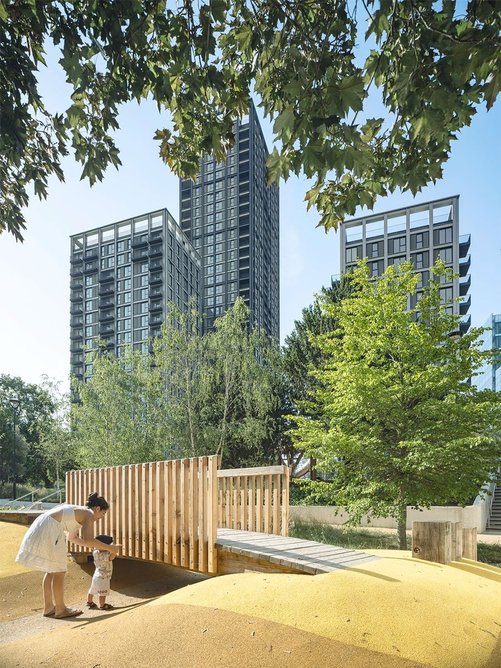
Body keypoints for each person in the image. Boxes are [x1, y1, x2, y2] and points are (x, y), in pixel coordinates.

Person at [15, 492, 121, 618]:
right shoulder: (88, 514)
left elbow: (73, 538)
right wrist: (110, 548)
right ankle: (61, 609)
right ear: (97, 508)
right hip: (51, 528)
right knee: (59, 571)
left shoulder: (81, 513)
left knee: (51, 570)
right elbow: (88, 539)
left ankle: (49, 608)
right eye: (103, 513)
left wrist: (97, 546)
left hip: (44, 525)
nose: (102, 517)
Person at [86, 534, 116, 611]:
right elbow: (112, 556)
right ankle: (102, 605)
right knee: (103, 592)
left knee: (92, 589)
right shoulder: (106, 555)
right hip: (104, 576)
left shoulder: (95, 552)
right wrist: (115, 549)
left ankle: (89, 602)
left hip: (96, 575)